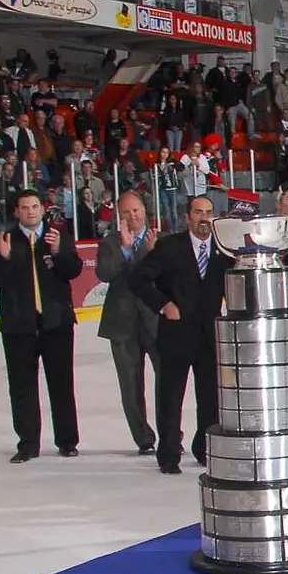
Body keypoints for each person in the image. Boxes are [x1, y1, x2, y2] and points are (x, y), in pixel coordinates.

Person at [130, 195, 230, 475]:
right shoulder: (169, 246)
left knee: (210, 397)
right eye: (198, 212)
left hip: (210, 336)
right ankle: (169, 453)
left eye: (209, 212)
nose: (204, 218)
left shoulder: (223, 249)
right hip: (175, 335)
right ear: (187, 217)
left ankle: (205, 448)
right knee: (171, 396)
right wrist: (163, 303)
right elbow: (137, 279)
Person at [0, 189, 83, 464]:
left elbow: (73, 270)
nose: (31, 211)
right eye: (25, 207)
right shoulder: (4, 240)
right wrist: (2, 258)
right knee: (22, 386)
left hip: (56, 323)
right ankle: (28, 443)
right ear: (17, 212)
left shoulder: (57, 236)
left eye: (35, 206)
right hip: (19, 325)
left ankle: (67, 440)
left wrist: (57, 252)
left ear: (42, 209)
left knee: (61, 384)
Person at [95, 192, 160, 455]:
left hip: (156, 321)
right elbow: (105, 273)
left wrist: (152, 253)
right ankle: (143, 438)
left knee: (167, 381)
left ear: (144, 211)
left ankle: (170, 433)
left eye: (136, 211)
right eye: (125, 212)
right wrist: (123, 248)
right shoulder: (110, 243)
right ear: (118, 216)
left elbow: (166, 277)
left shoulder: (159, 241)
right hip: (122, 324)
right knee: (130, 385)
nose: (132, 216)